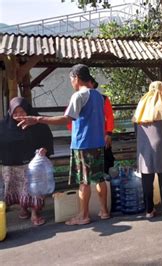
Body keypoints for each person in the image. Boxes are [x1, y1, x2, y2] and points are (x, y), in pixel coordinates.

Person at [18, 64, 109, 225]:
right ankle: (104, 211)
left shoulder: (79, 96)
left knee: (84, 181)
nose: (71, 83)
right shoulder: (99, 96)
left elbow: (67, 119)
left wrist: (38, 119)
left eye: (71, 79)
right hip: (97, 143)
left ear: (76, 78)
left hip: (83, 144)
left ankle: (84, 216)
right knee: (99, 178)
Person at [0, 97, 54, 226]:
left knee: (33, 189)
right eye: (15, 112)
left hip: (32, 165)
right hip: (10, 165)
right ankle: (23, 208)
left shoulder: (38, 124)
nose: (19, 116)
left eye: (22, 112)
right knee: (17, 189)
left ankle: (35, 213)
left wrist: (44, 149)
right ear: (10, 112)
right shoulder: (3, 126)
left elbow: (47, 140)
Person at [133, 81, 162, 219]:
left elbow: (136, 129)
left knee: (146, 180)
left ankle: (149, 211)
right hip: (161, 147)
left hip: (143, 146)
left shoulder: (141, 105)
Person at [66, 79, 115, 174]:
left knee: (102, 169)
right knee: (91, 175)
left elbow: (109, 117)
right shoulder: (80, 97)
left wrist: (108, 133)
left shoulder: (102, 99)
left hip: (99, 138)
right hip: (88, 140)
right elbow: (69, 120)